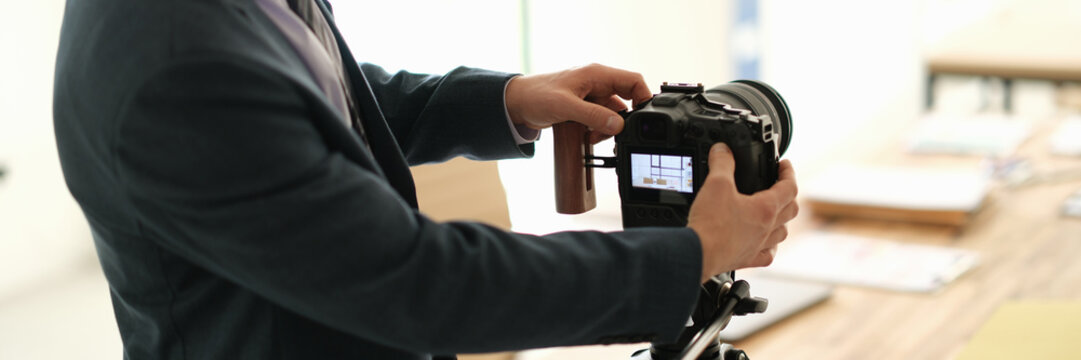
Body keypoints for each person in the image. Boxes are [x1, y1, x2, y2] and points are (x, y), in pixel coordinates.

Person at [52, 0, 799, 359]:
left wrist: (506, 102)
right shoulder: (181, 60)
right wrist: (691, 254)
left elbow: (314, 103)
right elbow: (419, 285)